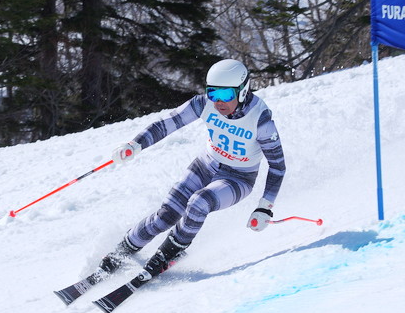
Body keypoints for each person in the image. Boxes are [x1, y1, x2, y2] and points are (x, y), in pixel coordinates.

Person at [100, 59, 286, 283]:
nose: (218, 102)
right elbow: (167, 123)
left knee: (199, 202)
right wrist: (135, 145)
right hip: (205, 165)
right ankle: (122, 250)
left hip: (238, 178)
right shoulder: (204, 104)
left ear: (243, 91)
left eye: (226, 95)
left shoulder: (260, 119)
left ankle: (171, 252)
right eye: (212, 93)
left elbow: (277, 166)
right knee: (166, 215)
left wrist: (264, 208)